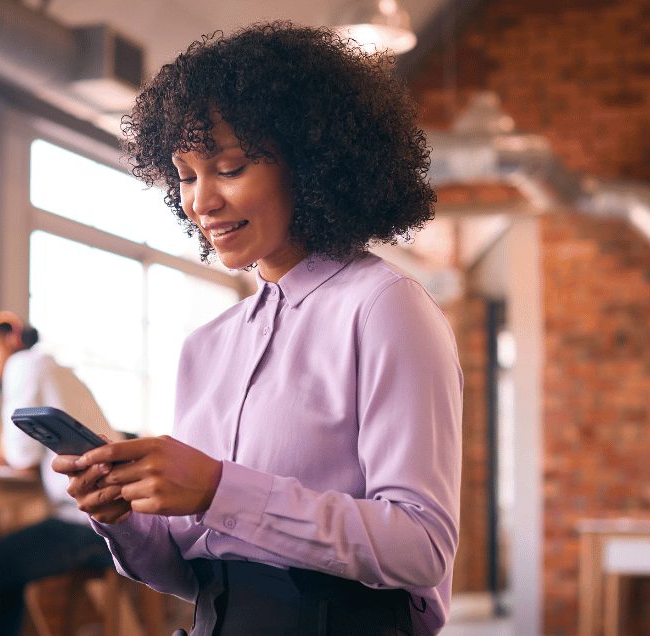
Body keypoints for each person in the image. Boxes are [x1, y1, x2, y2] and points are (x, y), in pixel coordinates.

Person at [53, 23, 462, 636]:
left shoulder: (384, 308)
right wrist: (123, 518)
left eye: (230, 167)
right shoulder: (208, 346)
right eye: (186, 176)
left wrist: (220, 488)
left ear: (313, 161)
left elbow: (421, 546)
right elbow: (193, 570)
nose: (201, 202)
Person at [0, 311, 119, 636]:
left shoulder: (23, 365)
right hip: (108, 521)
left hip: (84, 523)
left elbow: (21, 457)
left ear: (12, 339)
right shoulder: (54, 368)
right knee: (9, 574)